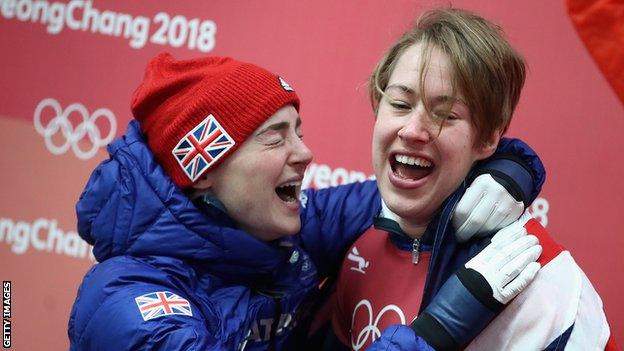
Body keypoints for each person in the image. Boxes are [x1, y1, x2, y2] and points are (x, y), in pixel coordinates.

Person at [67, 53, 544, 350]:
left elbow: (410, 188)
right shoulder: (128, 304)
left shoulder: (277, 227)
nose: (306, 153)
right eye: (275, 139)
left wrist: (508, 170)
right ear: (206, 169)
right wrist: (437, 330)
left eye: (299, 131)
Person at [328, 7, 617, 351]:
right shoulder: (348, 230)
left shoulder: (544, 280)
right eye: (400, 104)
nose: (413, 130)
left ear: (487, 141)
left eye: (445, 115)